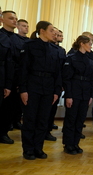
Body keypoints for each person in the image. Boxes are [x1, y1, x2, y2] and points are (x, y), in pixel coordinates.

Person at [19, 21, 62, 160]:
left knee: (43, 120)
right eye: (51, 30)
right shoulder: (30, 46)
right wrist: (23, 90)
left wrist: (56, 91)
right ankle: (28, 150)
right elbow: (23, 69)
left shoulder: (55, 50)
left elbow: (57, 73)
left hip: (48, 88)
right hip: (33, 86)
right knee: (30, 119)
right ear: (42, 31)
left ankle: (38, 148)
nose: (54, 33)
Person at [62, 35, 93, 155]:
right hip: (74, 91)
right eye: (90, 44)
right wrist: (69, 95)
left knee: (80, 120)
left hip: (85, 93)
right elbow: (67, 79)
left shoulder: (90, 59)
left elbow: (92, 79)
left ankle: (76, 143)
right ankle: (68, 144)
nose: (91, 46)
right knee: (71, 119)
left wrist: (91, 95)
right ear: (82, 43)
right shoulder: (71, 58)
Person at [0, 10, 26, 144]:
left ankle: (3, 132)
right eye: (11, 18)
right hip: (1, 75)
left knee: (10, 108)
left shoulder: (19, 40)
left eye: (16, 18)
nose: (14, 21)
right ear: (2, 20)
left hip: (15, 78)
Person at [45, 27, 66, 141]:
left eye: (59, 35)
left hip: (56, 83)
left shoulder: (61, 50)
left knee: (52, 109)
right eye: (56, 34)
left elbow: (62, 69)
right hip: (45, 82)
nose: (57, 37)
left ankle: (47, 130)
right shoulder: (44, 48)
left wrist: (61, 84)